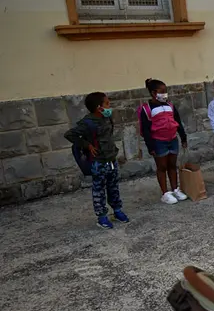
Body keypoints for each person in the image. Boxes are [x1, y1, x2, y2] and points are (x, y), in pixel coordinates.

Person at [65, 92, 129, 229]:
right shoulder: (87, 122)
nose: (109, 106)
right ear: (99, 107)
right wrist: (87, 145)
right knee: (99, 189)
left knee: (113, 187)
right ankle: (101, 217)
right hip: (98, 162)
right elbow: (70, 134)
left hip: (111, 159)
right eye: (107, 103)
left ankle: (117, 210)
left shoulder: (107, 118)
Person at [141, 78, 188, 205]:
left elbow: (177, 122)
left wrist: (183, 137)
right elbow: (145, 130)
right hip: (158, 142)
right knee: (162, 167)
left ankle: (175, 189)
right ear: (153, 93)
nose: (165, 94)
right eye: (162, 91)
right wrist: (150, 146)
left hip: (172, 139)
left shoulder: (170, 106)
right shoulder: (146, 109)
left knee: (172, 166)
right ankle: (165, 193)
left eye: (166, 91)